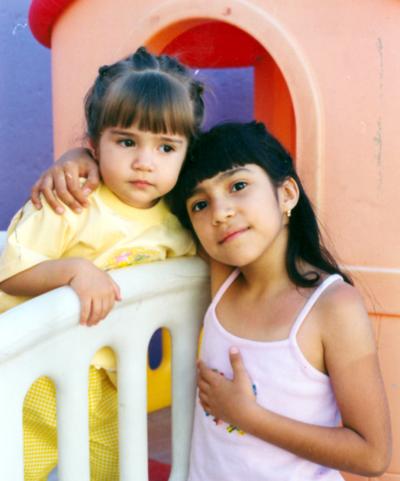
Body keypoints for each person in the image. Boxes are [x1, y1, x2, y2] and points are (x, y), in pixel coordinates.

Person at [0, 46, 204, 481]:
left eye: (166, 147)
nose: (144, 162)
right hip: (38, 378)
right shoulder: (72, 200)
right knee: (19, 468)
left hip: (114, 382)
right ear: (93, 144)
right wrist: (74, 270)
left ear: (187, 154)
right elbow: (11, 271)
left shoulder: (177, 222)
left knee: (112, 471)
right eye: (127, 142)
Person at [168, 121, 391, 480]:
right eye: (199, 204)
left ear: (287, 193)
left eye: (238, 186)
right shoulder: (223, 280)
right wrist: (78, 160)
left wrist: (249, 417)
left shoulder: (332, 307)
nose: (220, 212)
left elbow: (373, 454)